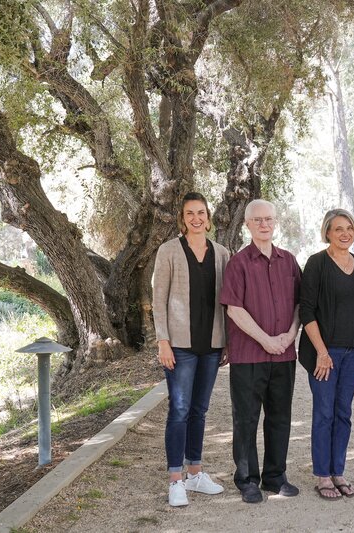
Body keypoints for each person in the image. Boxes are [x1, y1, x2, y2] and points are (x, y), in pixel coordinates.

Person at [220, 199, 302, 504]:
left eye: (269, 219)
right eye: (258, 220)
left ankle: (275, 476)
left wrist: (291, 334)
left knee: (280, 417)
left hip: (284, 354)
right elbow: (234, 309)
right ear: (248, 225)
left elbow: (299, 305)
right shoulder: (238, 263)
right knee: (246, 419)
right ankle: (247, 479)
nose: (264, 224)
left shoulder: (289, 261)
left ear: (275, 222)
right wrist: (265, 339)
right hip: (249, 356)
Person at [153, 192, 230, 507]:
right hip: (180, 346)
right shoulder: (168, 251)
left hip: (211, 345)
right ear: (182, 218)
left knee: (200, 410)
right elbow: (159, 298)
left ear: (208, 218)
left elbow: (228, 300)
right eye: (190, 213)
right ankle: (175, 480)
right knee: (180, 410)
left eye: (201, 212)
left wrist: (225, 341)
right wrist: (163, 340)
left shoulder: (222, 253)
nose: (196, 218)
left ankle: (195, 473)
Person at [298, 209, 354, 500]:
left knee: (344, 413)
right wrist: (321, 352)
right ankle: (322, 475)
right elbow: (306, 309)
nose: (345, 234)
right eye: (338, 229)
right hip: (324, 352)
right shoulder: (317, 263)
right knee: (324, 413)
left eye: (349, 228)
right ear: (327, 232)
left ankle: (338, 471)